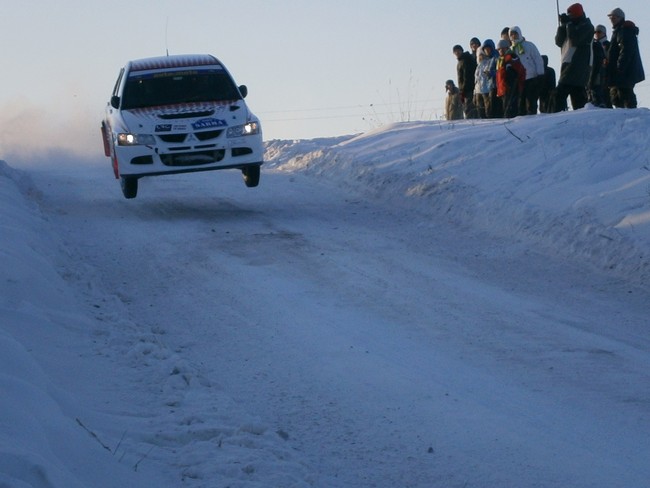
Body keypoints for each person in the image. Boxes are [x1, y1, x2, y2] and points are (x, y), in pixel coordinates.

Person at [553, 3, 594, 112]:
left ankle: (557, 114)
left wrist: (569, 24)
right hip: (569, 62)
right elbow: (559, 41)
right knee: (577, 93)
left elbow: (576, 40)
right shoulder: (570, 26)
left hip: (579, 63)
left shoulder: (587, 26)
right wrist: (562, 26)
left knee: (560, 92)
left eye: (572, 16)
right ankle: (579, 116)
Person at [606, 8, 645, 108]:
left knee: (624, 93)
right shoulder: (620, 30)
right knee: (617, 95)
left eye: (614, 17)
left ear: (620, 18)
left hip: (625, 70)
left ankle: (629, 114)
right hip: (624, 70)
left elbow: (626, 50)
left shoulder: (624, 31)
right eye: (611, 17)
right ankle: (625, 114)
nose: (612, 19)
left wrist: (620, 66)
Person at [509, 26, 545, 115]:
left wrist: (540, 74)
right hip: (518, 80)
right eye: (511, 34)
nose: (514, 36)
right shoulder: (510, 50)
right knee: (520, 103)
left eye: (515, 34)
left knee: (531, 101)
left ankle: (532, 119)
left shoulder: (529, 45)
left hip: (531, 77)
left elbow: (538, 59)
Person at [496, 39, 526, 118]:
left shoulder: (511, 57)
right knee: (506, 107)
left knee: (511, 108)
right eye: (499, 49)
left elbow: (514, 72)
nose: (500, 51)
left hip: (510, 88)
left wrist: (510, 84)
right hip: (504, 88)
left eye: (502, 48)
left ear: (506, 48)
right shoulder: (501, 60)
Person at [453, 44, 478, 118]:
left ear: (461, 51)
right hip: (465, 90)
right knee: (467, 109)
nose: (457, 53)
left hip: (469, 89)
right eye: (455, 52)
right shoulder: (460, 62)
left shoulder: (465, 60)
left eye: (458, 51)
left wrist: (463, 90)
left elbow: (466, 76)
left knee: (469, 109)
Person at [589, 25, 610, 107]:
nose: (596, 34)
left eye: (599, 32)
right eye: (595, 32)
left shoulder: (607, 44)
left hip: (604, 71)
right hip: (595, 69)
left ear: (604, 33)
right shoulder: (593, 45)